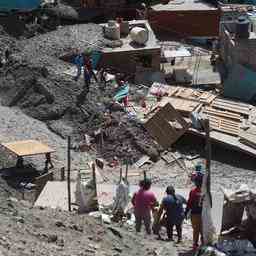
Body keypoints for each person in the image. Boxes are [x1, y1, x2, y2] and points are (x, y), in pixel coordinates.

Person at [185, 175, 203, 251]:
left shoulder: (193, 192)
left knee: (196, 230)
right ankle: (204, 244)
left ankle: (195, 245)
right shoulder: (205, 191)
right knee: (203, 230)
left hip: (195, 214)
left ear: (196, 182)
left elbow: (189, 203)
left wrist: (186, 212)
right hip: (203, 214)